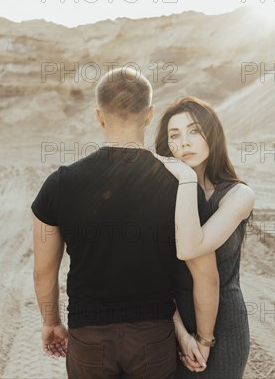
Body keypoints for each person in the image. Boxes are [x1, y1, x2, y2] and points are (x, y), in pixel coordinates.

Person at [30, 68, 220, 378]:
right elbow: (206, 276)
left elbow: (43, 270)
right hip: (153, 338)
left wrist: (50, 322)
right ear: (149, 115)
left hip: (88, 336)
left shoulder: (59, 184)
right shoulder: (179, 186)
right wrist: (204, 339)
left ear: (99, 116)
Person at [152, 96, 255, 378]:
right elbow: (152, 276)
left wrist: (205, 339)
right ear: (166, 145)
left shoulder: (238, 195)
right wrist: (182, 333)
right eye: (175, 135)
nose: (185, 142)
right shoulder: (158, 195)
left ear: (213, 134)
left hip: (224, 324)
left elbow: (190, 247)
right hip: (169, 320)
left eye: (195, 130)